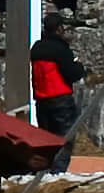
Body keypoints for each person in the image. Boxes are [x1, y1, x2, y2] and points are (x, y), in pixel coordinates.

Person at [30, 12, 85, 169]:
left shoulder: (37, 48)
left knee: (46, 139)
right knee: (64, 138)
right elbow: (71, 74)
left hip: (41, 100)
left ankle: (44, 170)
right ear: (59, 29)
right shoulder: (61, 49)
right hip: (60, 98)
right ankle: (58, 171)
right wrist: (79, 67)